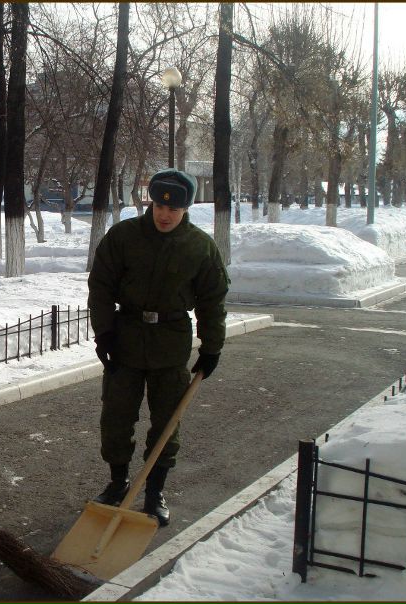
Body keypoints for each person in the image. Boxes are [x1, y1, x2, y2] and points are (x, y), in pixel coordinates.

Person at [87, 168, 229, 526]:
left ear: (186, 209)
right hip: (126, 339)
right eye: (159, 206)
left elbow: (212, 301)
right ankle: (118, 483)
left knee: (167, 421)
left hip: (171, 343)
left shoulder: (200, 247)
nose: (165, 214)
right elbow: (100, 285)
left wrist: (212, 347)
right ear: (150, 202)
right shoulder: (124, 236)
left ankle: (154, 492)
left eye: (174, 209)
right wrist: (104, 333)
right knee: (117, 416)